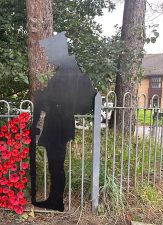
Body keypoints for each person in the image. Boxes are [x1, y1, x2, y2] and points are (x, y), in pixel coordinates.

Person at [30, 32, 97, 211]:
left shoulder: (68, 70)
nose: (49, 56)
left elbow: (66, 96)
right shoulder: (65, 69)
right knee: (55, 164)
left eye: (50, 52)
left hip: (59, 124)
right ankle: (55, 199)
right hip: (58, 122)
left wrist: (46, 98)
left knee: (57, 164)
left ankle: (56, 201)